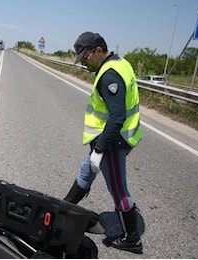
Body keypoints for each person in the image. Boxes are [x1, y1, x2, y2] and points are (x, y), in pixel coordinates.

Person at [63, 31, 143, 254]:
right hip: (109, 139)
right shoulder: (119, 63)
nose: (84, 64)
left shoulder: (109, 75)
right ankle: (63, 208)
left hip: (113, 143)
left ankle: (132, 239)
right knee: (85, 172)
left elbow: (117, 116)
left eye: (86, 58)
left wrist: (100, 148)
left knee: (118, 189)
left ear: (98, 51)